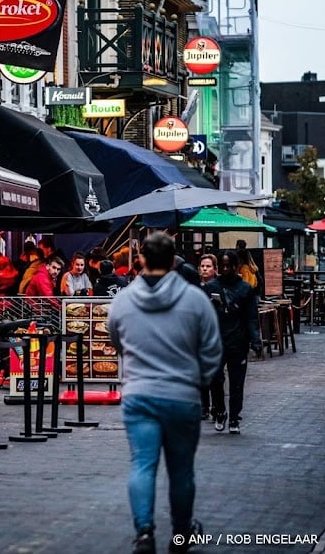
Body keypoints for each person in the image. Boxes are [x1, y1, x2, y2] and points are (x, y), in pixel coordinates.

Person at [109, 232, 222, 554]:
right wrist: (198, 380)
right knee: (181, 468)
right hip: (181, 395)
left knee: (142, 464)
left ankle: (144, 531)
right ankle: (182, 532)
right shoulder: (195, 299)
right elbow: (212, 349)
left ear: (141, 259)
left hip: (139, 394)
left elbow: (117, 342)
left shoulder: (123, 300)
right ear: (174, 261)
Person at [204, 250, 262, 434]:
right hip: (216, 341)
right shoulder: (211, 286)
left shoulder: (245, 289)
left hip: (238, 340)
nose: (226, 269)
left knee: (237, 382)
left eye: (229, 265)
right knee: (215, 379)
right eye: (223, 265)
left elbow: (252, 317)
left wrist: (255, 340)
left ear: (236, 266)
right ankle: (220, 410)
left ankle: (235, 417)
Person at [196, 253, 219, 420]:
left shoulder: (218, 287)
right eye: (203, 266)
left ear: (215, 269)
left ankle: (216, 406)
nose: (205, 269)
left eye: (208, 266)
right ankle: (204, 406)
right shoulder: (195, 287)